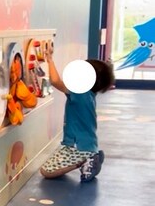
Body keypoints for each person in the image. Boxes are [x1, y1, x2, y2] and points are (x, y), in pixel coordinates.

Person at [39, 46, 114, 182]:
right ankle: (92, 156)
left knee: (46, 171)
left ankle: (87, 160)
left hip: (77, 147)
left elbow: (55, 81)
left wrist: (49, 60)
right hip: (86, 144)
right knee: (50, 167)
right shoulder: (89, 94)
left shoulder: (80, 93)